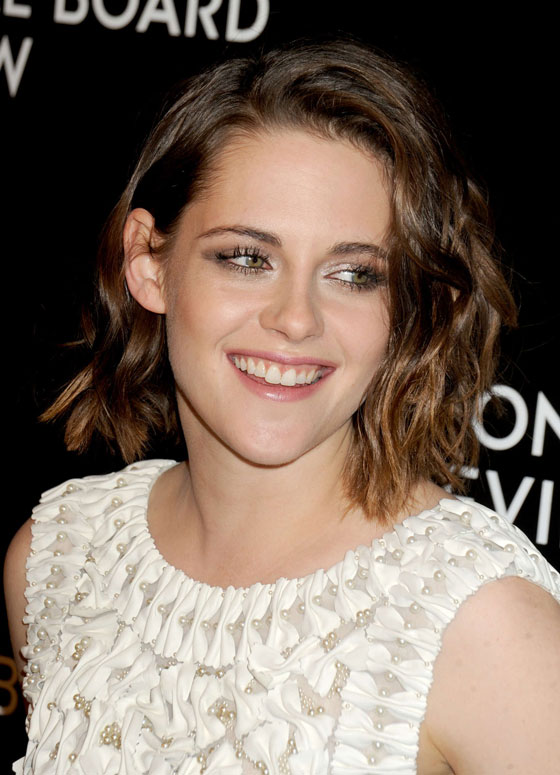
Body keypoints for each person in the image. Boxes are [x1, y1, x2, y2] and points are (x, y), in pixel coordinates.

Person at [4, 37, 560, 775]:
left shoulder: (483, 620)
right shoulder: (57, 558)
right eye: (247, 258)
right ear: (148, 261)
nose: (296, 319)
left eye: (354, 274)